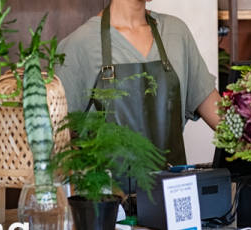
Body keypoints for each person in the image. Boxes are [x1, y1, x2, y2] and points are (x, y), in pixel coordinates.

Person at [55, 0, 221, 190]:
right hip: (109, 206)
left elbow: (223, 121)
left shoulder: (176, 33)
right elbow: (58, 142)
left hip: (174, 198)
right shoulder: (81, 44)